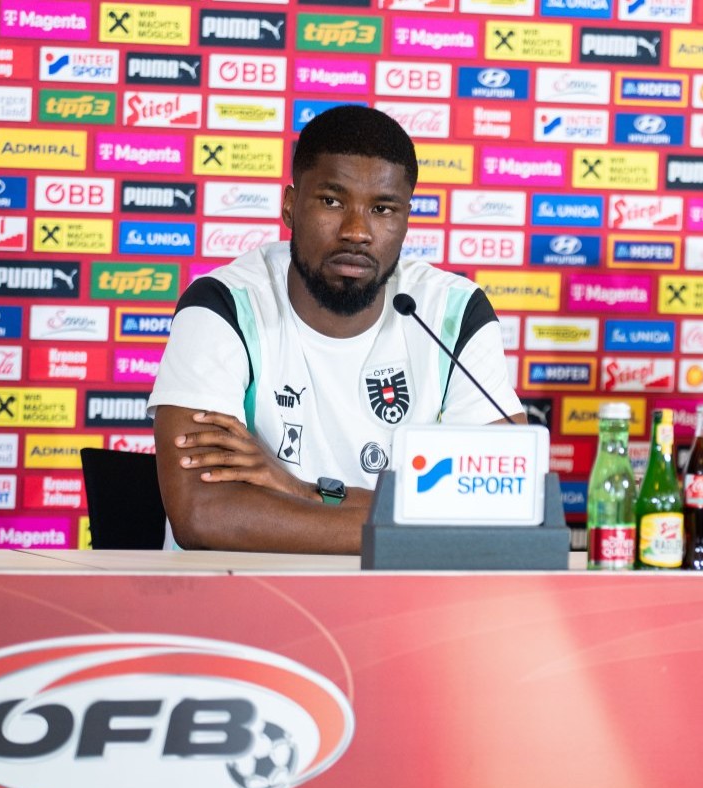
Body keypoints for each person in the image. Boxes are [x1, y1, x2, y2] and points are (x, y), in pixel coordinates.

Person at [148, 106, 524, 553]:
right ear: (290, 206)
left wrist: (305, 491)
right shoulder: (223, 305)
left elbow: (505, 506)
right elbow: (203, 513)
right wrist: (425, 527)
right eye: (332, 201)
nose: (357, 231)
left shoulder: (453, 314)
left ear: (406, 219)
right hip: (241, 588)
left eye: (382, 209)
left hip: (395, 592)